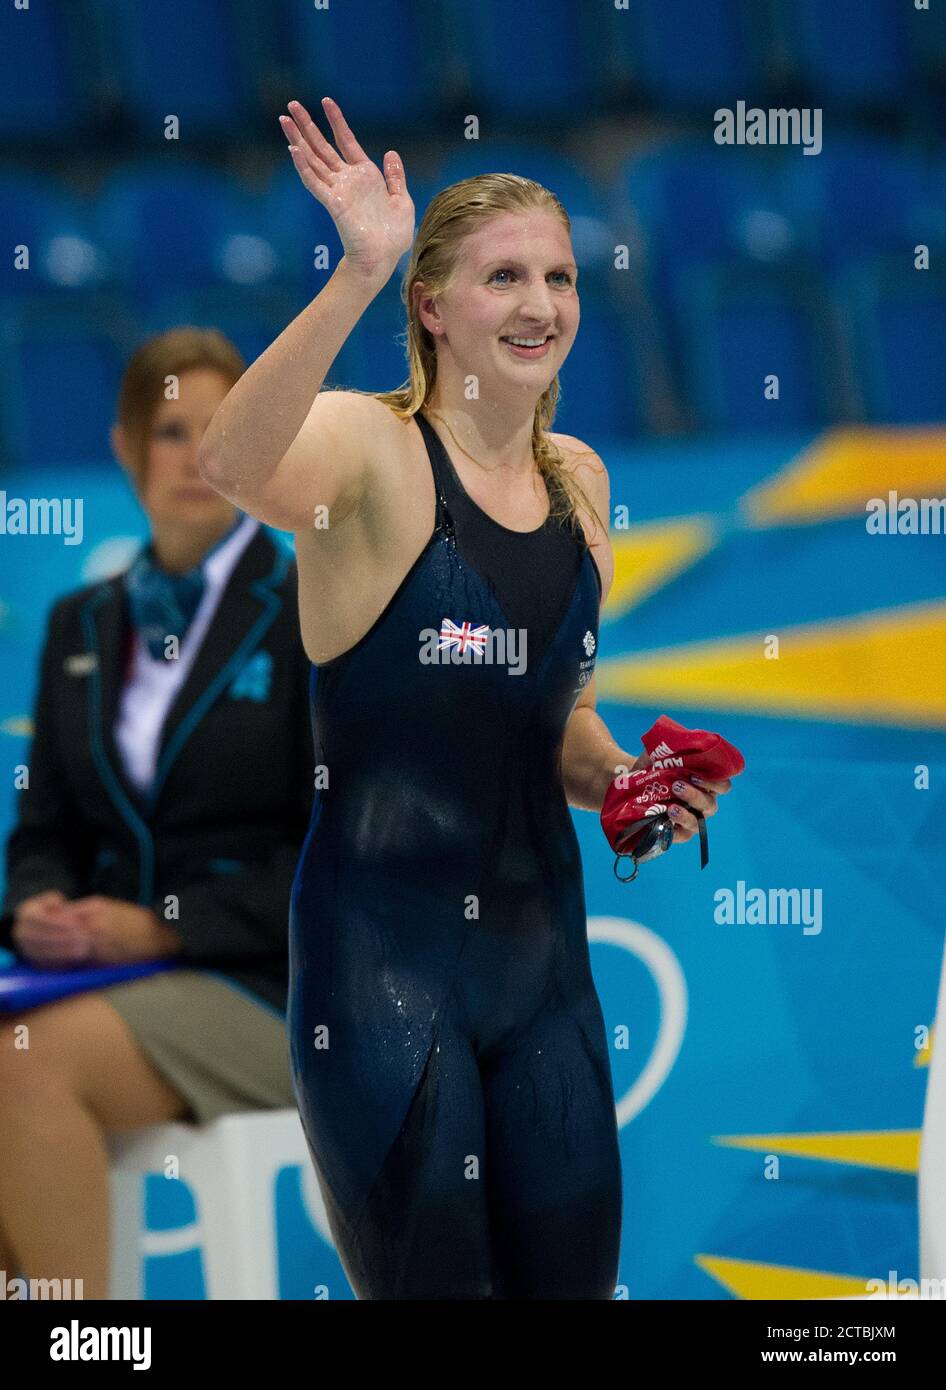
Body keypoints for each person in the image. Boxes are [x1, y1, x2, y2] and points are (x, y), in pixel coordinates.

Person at [198, 96, 733, 1300]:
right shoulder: (368, 452)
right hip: (380, 970)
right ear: (432, 308)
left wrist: (634, 783)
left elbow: (562, 720)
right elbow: (228, 465)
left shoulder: (580, 481)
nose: (540, 304)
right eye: (502, 277)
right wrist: (356, 273)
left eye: (558, 275)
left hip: (546, 972)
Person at [0, 328, 313, 1299]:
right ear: (127, 449)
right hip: (109, 982)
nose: (196, 456)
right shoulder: (80, 623)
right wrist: (38, 909)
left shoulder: (314, 607)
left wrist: (164, 930)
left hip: (279, 984)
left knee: (24, 1064)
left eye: (222, 431)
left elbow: (338, 856)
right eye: (171, 430)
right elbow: (43, 830)